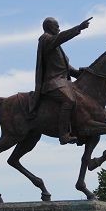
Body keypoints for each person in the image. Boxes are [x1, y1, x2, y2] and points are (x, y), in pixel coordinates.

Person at [31, 16, 92, 145]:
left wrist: (81, 73)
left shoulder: (55, 45)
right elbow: (61, 37)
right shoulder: (46, 39)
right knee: (69, 100)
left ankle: (77, 131)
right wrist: (78, 28)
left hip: (62, 81)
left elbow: (65, 68)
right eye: (56, 26)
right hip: (52, 83)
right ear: (49, 27)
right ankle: (64, 135)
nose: (59, 29)